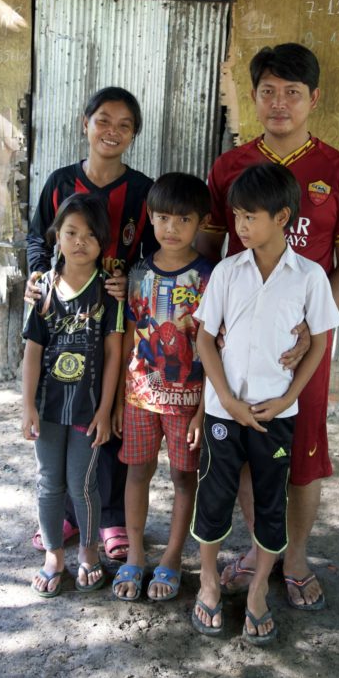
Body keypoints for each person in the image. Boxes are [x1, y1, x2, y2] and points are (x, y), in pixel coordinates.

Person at [197, 43, 339, 609]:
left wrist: (309, 331)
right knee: (248, 441)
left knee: (301, 455)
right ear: (254, 96)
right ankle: (258, 550)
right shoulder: (229, 168)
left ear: (313, 99)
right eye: (268, 91)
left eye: (292, 93)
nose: (279, 104)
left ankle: (293, 559)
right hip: (241, 338)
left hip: (302, 349)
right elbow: (208, 249)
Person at [191, 163, 339, 643]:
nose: (240, 226)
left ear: (283, 217)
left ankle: (258, 590)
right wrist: (228, 400)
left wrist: (286, 400)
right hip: (223, 412)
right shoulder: (227, 272)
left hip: (277, 414)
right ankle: (209, 582)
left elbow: (319, 343)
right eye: (236, 216)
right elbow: (204, 340)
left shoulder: (309, 277)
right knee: (213, 499)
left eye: (250, 217)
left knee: (271, 504)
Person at [26, 86, 157, 562]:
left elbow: (152, 252)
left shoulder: (143, 191)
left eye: (124, 125)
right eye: (104, 120)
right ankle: (63, 515)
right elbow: (36, 238)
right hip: (63, 317)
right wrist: (39, 276)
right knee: (63, 405)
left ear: (134, 135)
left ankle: (113, 518)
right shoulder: (60, 183)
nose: (112, 131)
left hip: (116, 318)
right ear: (85, 123)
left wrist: (134, 282)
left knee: (112, 411)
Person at [111, 173, 213, 602]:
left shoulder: (211, 277)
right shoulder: (138, 274)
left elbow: (214, 347)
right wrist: (118, 399)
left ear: (202, 223)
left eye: (183, 220)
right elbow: (129, 337)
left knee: (184, 478)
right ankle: (135, 554)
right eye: (163, 218)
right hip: (140, 397)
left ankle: (171, 557)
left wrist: (205, 409)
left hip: (188, 402)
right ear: (151, 218)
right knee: (137, 472)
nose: (171, 228)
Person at [22, 193, 124, 597]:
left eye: (90, 235)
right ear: (57, 238)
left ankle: (88, 551)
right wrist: (26, 404)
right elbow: (32, 351)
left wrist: (106, 409)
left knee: (82, 483)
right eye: (71, 232)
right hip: (47, 409)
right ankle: (52, 555)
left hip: (86, 408)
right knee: (49, 482)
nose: (80, 241)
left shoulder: (109, 293)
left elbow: (115, 353)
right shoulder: (42, 289)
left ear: (103, 242)